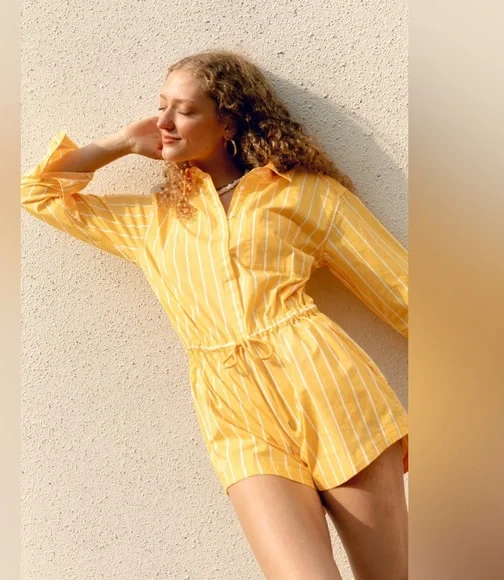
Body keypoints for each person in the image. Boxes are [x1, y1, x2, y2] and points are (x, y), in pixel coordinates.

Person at [21, 49, 409, 580]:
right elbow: (38, 192)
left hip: (332, 392)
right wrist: (120, 143)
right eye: (161, 106)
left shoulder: (303, 193)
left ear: (228, 121)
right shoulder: (155, 220)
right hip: (235, 412)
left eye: (183, 110)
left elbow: (402, 289)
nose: (163, 121)